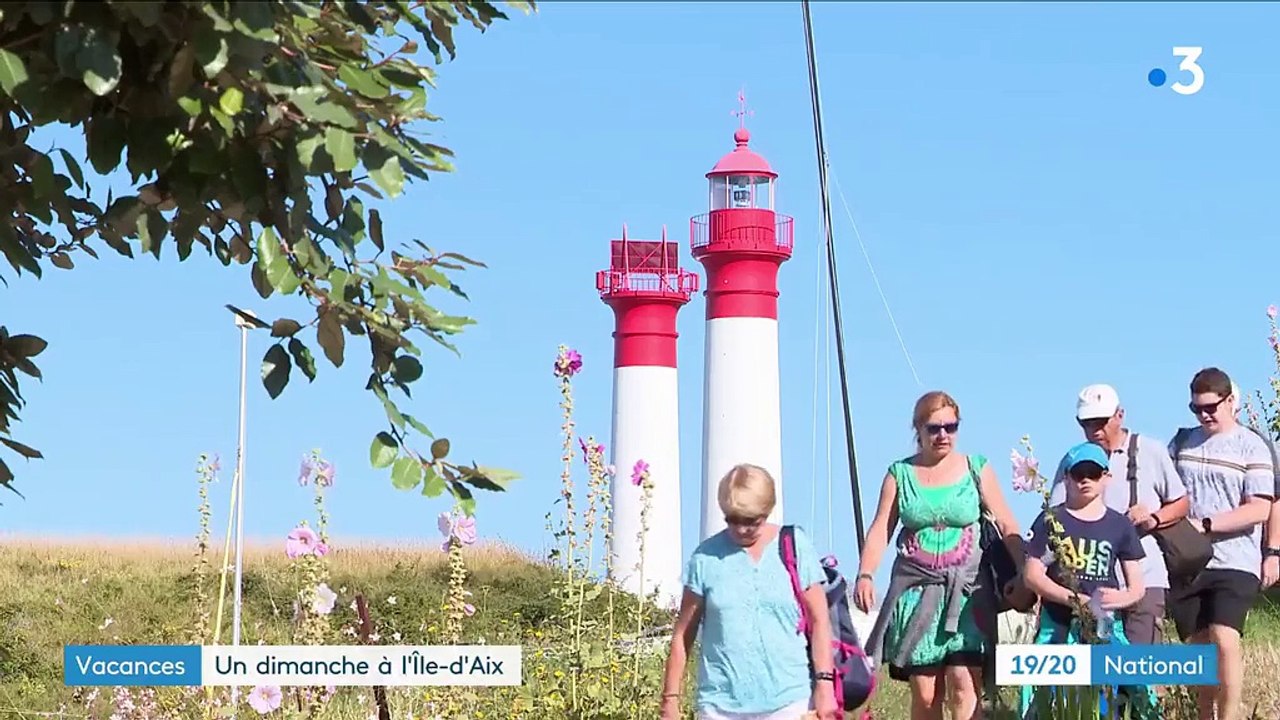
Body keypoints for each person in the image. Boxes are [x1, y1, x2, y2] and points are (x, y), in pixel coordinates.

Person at [856, 390, 1029, 720]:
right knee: (925, 691)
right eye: (934, 428)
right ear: (918, 429)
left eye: (951, 427)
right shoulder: (899, 474)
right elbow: (881, 528)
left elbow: (1007, 520)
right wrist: (866, 573)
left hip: (967, 593)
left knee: (966, 683)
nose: (943, 435)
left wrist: (1024, 569)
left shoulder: (975, 468)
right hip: (917, 593)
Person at [660, 463, 839, 720]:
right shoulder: (705, 558)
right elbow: (682, 634)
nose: (741, 529)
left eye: (751, 522)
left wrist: (825, 685)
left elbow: (820, 620)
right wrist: (670, 699)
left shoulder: (795, 545)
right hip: (719, 706)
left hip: (789, 701)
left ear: (767, 512)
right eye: (733, 520)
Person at [1166, 367, 1275, 720]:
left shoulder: (1251, 445)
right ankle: (1203, 715)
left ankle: (1230, 715)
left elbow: (1259, 508)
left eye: (1211, 407)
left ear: (1230, 401)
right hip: (1189, 562)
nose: (1205, 415)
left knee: (1224, 638)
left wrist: (1207, 525)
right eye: (1197, 408)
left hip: (1235, 558)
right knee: (1200, 651)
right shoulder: (1182, 443)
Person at [1020, 441, 1157, 719]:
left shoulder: (1119, 525)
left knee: (1130, 691)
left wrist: (1117, 599)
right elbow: (1033, 574)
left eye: (1093, 473)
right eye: (1078, 473)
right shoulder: (1051, 519)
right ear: (1066, 477)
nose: (1085, 480)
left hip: (1105, 625)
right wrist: (1077, 601)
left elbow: (1137, 586)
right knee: (1045, 698)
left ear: (1106, 477)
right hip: (1057, 625)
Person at [1046, 383, 1189, 645]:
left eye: (1101, 421)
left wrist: (1153, 518)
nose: (1095, 430)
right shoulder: (1073, 460)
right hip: (1088, 587)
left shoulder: (1151, 451)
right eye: (1087, 423)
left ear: (1119, 415)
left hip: (1144, 578)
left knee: (1142, 670)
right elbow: (1053, 518)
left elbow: (1181, 503)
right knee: (1092, 673)